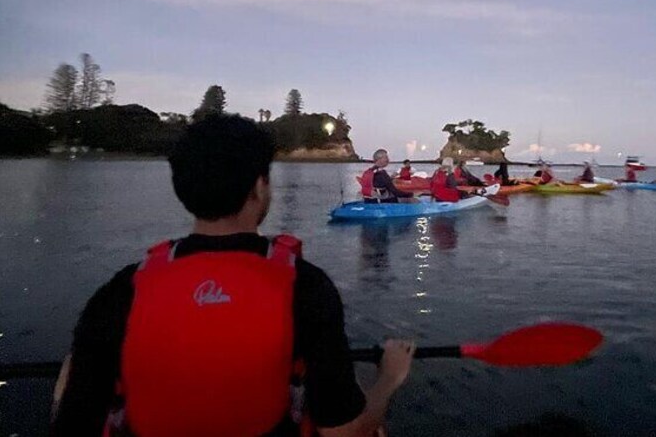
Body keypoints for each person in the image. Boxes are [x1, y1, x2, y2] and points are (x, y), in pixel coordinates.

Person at [51, 115, 415, 437]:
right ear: (260, 188)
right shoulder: (307, 286)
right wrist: (389, 378)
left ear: (182, 189)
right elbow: (344, 431)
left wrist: (71, 377)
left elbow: (71, 425)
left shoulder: (119, 292)